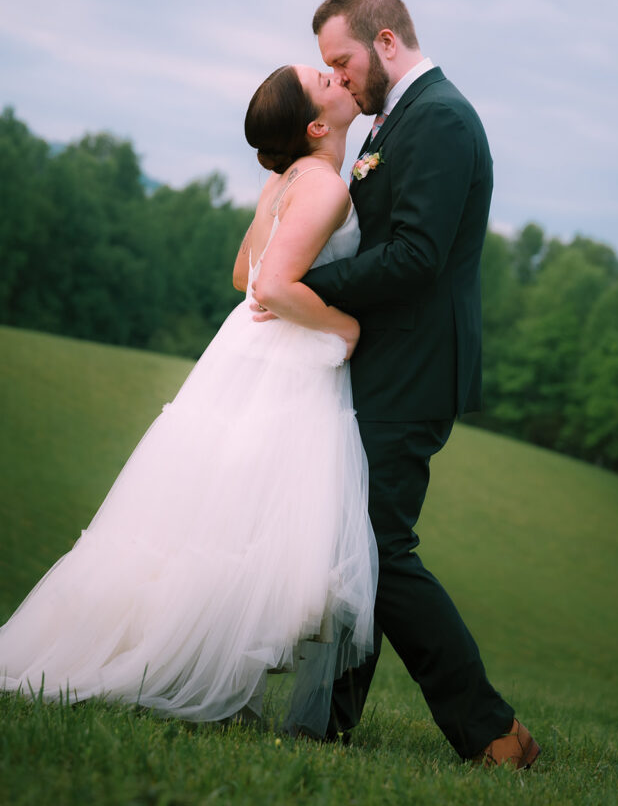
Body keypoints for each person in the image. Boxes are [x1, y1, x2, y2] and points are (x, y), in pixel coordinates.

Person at [0, 64, 377, 739]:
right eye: (322, 79)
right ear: (318, 125)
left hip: (244, 354)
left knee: (216, 515)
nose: (334, 75)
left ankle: (207, 667)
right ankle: (204, 671)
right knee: (253, 519)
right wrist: (344, 325)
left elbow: (243, 273)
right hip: (288, 356)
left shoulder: (284, 179)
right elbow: (272, 288)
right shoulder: (322, 188)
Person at [289, 0, 540, 767]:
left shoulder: (440, 119)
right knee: (357, 541)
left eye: (344, 60)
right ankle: (323, 719)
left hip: (418, 365)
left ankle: (493, 731)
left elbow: (417, 257)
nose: (341, 78)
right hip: (388, 358)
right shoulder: (399, 118)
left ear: (387, 41)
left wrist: (305, 286)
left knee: (379, 544)